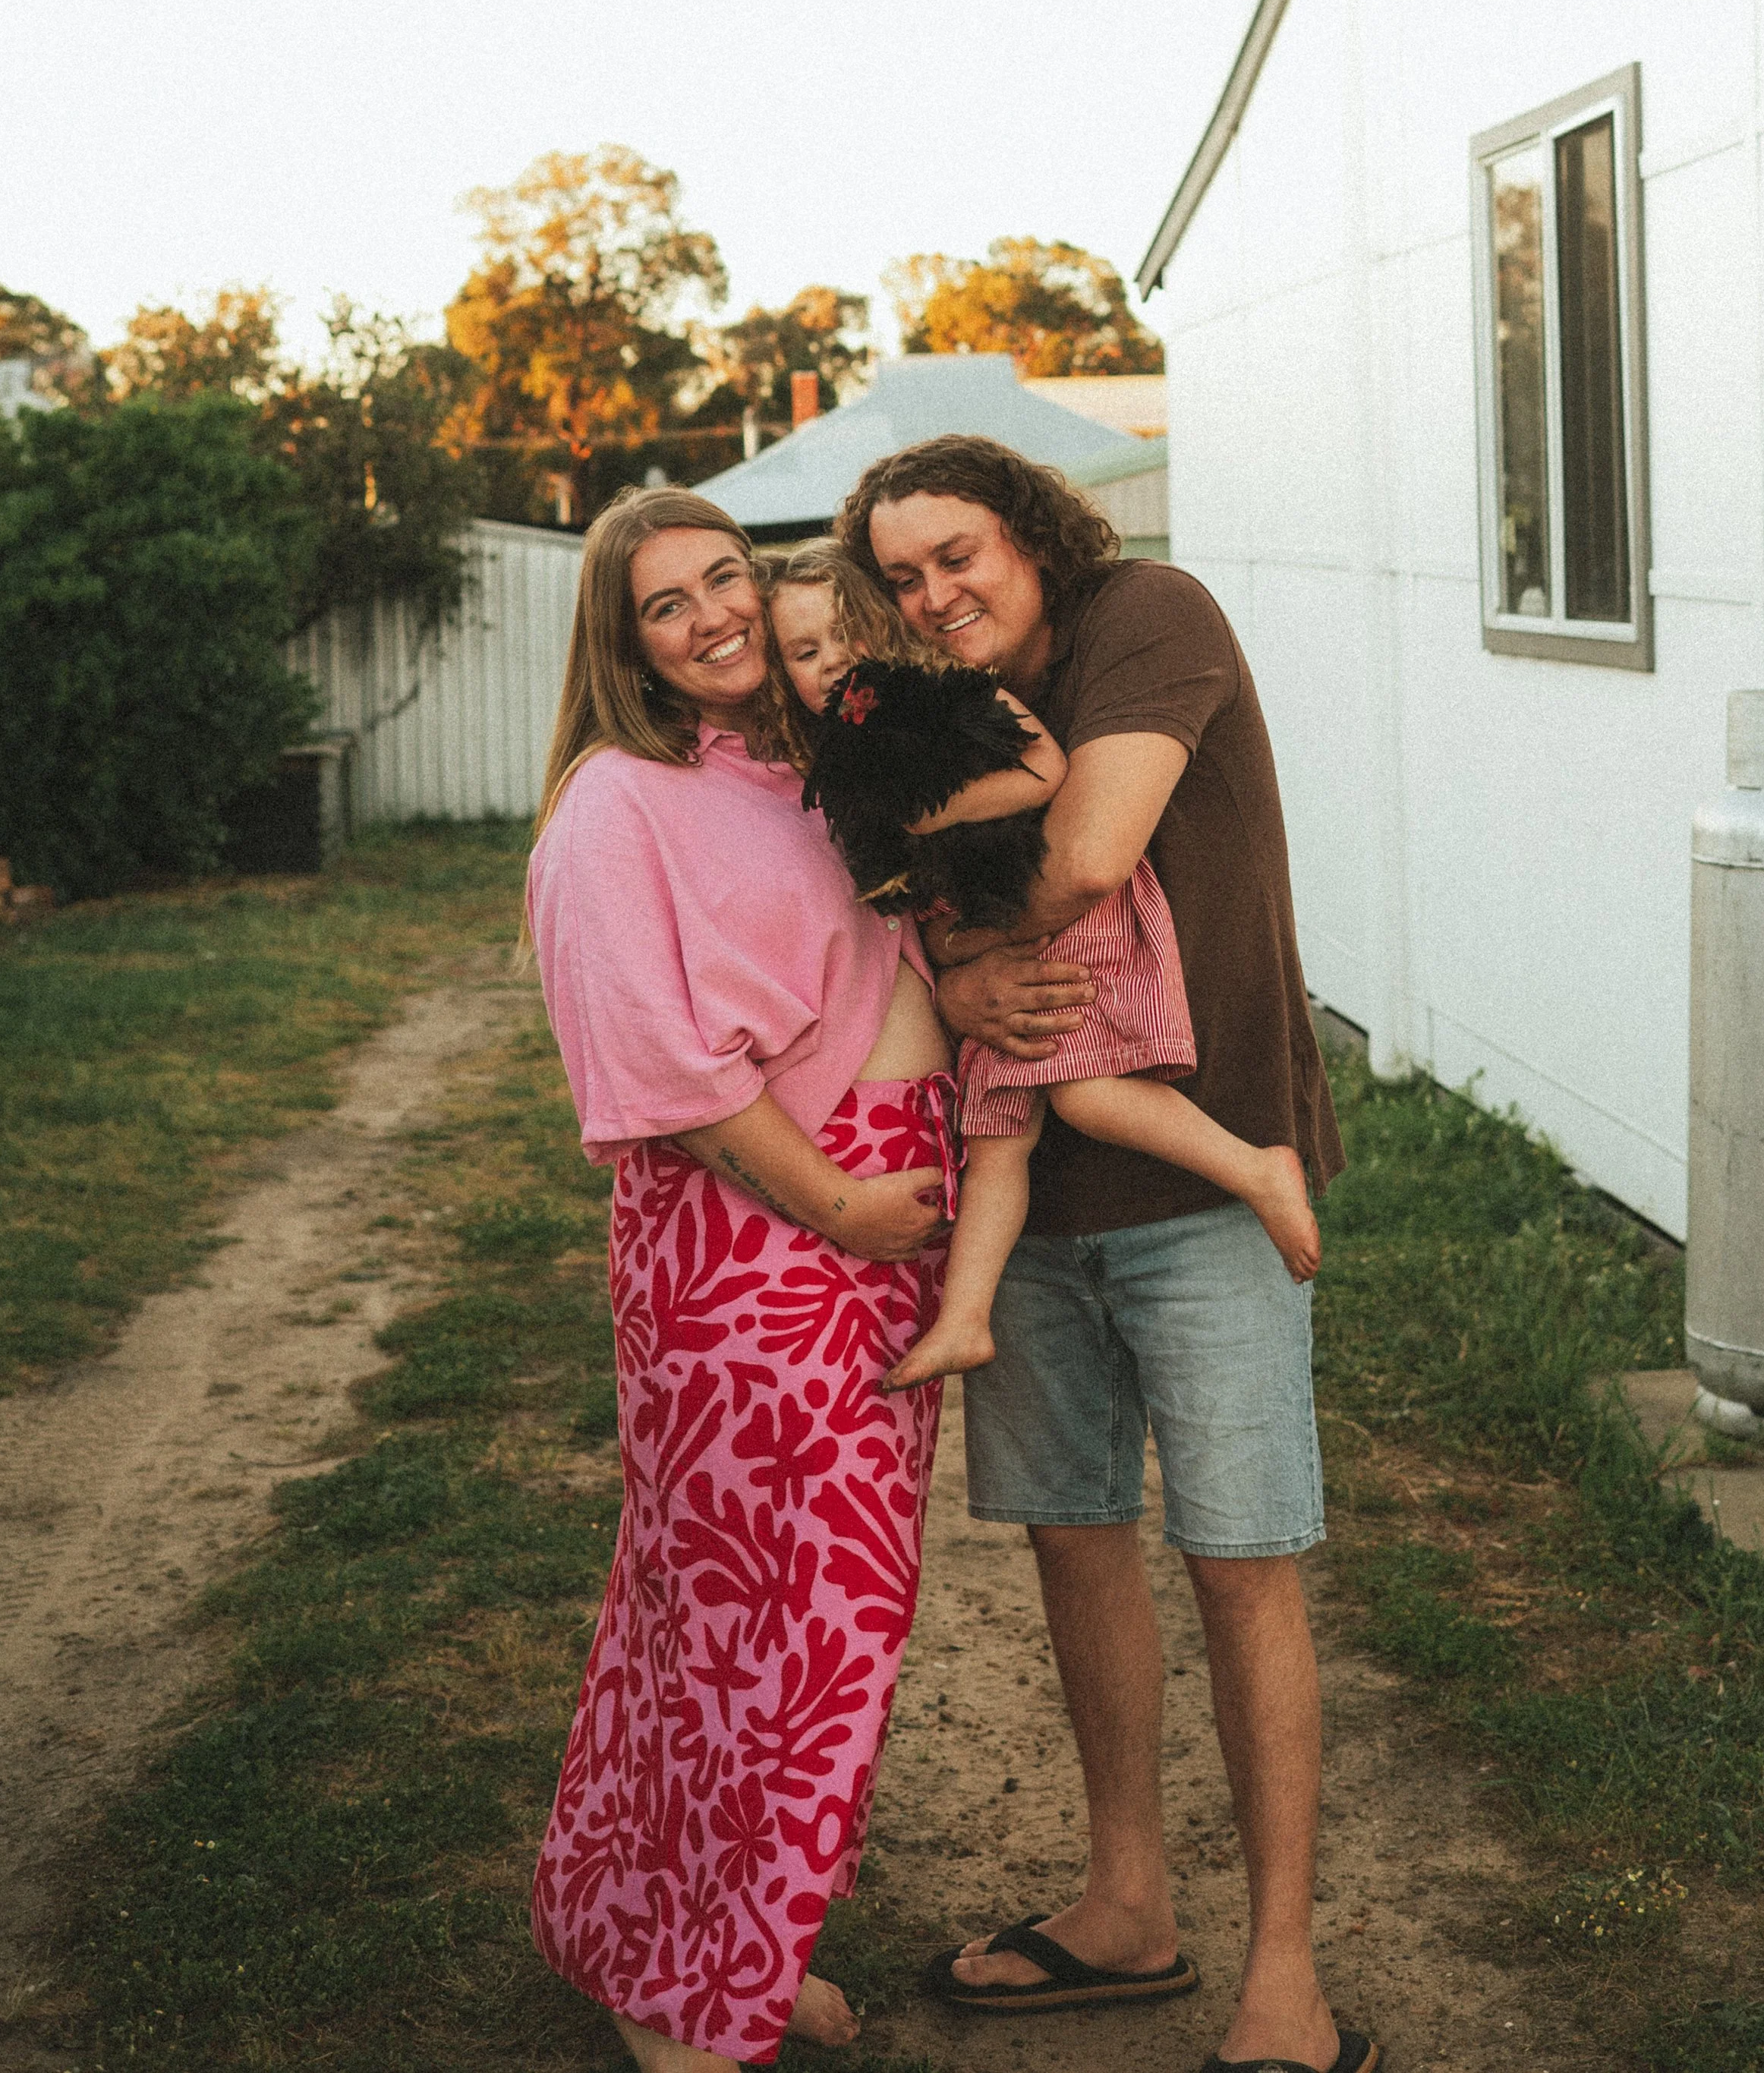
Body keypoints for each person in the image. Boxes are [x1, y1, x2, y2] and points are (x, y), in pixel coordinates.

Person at [833, 439, 1378, 2073]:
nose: (937, 592)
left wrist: (961, 960)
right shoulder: (927, 702)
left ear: (1032, 537)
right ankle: (1123, 1902)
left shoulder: (1147, 612)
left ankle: (1282, 1971)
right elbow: (868, 902)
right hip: (1030, 1187)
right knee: (1075, 1544)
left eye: (958, 554)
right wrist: (953, 975)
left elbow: (1079, 851)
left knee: (1237, 1557)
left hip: (1198, 1178)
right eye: (905, 574)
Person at [525, 488, 956, 2073]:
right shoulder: (613, 807)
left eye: (724, 578)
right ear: (618, 639)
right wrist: (842, 1197)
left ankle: (704, 1951)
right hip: (759, 1249)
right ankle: (693, 1998)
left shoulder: (792, 771)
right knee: (770, 1624)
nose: (711, 616)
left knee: (764, 1622)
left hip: (863, 1242)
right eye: (666, 602)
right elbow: (668, 1072)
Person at [769, 572, 1320, 1392]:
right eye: (803, 653)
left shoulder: (951, 696)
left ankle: (1256, 1169)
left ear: (883, 635)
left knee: (1085, 1095)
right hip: (988, 932)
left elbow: (1043, 770)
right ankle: (965, 1321)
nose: (829, 666)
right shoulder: (842, 764)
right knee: (996, 1143)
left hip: (1064, 909)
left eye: (843, 640)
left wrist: (929, 815)